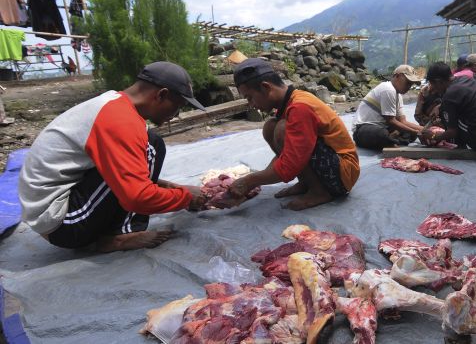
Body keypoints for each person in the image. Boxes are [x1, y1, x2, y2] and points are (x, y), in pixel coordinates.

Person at [18, 61, 207, 252]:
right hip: (62, 222)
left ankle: (113, 231)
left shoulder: (117, 107)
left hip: (63, 205)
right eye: (178, 107)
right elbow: (138, 198)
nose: (176, 115)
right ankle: (119, 236)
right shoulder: (119, 119)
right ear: (161, 95)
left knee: (152, 142)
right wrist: (186, 197)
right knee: (149, 150)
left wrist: (168, 186)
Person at [227, 58, 360, 211]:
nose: (251, 104)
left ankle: (319, 192)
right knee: (270, 126)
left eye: (250, 97)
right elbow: (287, 156)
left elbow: (290, 164)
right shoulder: (290, 103)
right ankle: (307, 183)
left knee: (282, 128)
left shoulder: (300, 107)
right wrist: (255, 179)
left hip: (343, 174)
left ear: (265, 87)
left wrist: (250, 181)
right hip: (330, 167)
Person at [421, 62, 476, 151]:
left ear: (438, 81)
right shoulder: (466, 79)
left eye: (432, 84)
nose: (433, 88)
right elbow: (461, 99)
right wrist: (440, 107)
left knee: (449, 120)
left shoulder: (449, 96)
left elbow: (452, 132)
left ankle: (459, 146)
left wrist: (434, 136)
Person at [352, 64, 424, 150]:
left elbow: (403, 121)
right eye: (408, 82)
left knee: (410, 134)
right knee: (382, 134)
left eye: (411, 84)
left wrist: (425, 130)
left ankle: (390, 140)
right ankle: (390, 140)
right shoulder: (388, 89)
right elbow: (391, 121)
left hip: (383, 127)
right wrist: (417, 132)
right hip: (362, 129)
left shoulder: (398, 95)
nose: (409, 87)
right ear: (397, 76)